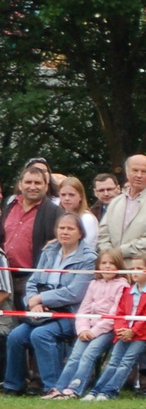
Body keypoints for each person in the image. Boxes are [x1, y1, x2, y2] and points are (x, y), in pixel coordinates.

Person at [4, 213, 95, 395]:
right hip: (41, 311)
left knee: (40, 335)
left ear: (80, 233)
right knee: (15, 336)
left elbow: (74, 293)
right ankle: (13, 385)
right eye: (62, 228)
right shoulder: (49, 251)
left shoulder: (88, 258)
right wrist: (32, 301)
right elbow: (32, 281)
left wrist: (42, 298)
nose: (65, 232)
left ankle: (53, 387)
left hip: (69, 313)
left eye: (70, 228)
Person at [84, 252, 146, 400]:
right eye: (133, 268)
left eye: (139, 268)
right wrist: (121, 330)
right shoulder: (128, 290)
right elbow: (120, 312)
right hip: (124, 333)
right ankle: (95, 391)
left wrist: (133, 331)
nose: (134, 272)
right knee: (113, 362)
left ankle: (109, 391)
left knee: (126, 362)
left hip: (143, 335)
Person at [44, 247, 127, 398]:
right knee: (75, 356)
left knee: (88, 355)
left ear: (119, 266)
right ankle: (59, 388)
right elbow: (84, 309)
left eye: (112, 263)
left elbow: (114, 315)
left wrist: (94, 332)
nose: (107, 266)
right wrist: (82, 329)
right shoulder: (94, 284)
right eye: (104, 263)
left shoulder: (122, 286)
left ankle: (75, 389)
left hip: (106, 330)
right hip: (87, 328)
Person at [97, 154, 146, 260]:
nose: (139, 175)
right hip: (111, 266)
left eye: (144, 171)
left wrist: (121, 251)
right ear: (127, 172)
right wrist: (109, 254)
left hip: (139, 268)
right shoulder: (116, 202)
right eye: (135, 170)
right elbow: (103, 234)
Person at [4, 159, 59, 292]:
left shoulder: (55, 212)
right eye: (28, 182)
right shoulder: (9, 206)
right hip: (5, 276)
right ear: (20, 185)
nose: (33, 187)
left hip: (33, 280)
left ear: (46, 187)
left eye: (38, 183)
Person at [54, 177, 100, 246]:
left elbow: (83, 245)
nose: (66, 198)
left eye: (71, 195)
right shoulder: (59, 216)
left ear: (80, 196)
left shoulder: (87, 218)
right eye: (63, 195)